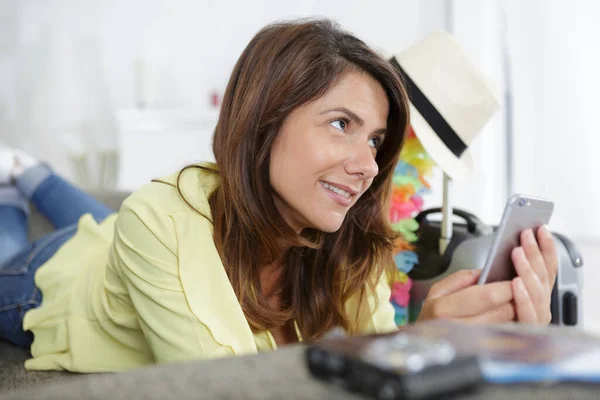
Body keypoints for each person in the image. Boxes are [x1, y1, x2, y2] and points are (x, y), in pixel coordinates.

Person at [0, 19, 557, 373]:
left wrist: (445, 347)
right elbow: (228, 387)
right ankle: (15, 188)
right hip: (49, 286)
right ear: (265, 122)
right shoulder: (159, 218)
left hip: (120, 240)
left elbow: (381, 356)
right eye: (341, 123)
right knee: (23, 242)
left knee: (104, 218)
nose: (367, 166)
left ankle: (30, 170)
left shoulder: (350, 241)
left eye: (376, 140)